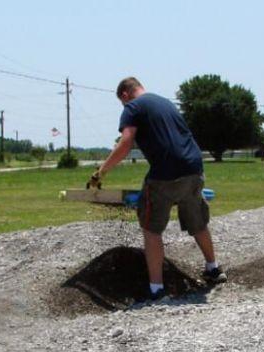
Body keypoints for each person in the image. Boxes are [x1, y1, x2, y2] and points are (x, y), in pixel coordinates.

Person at [88, 77, 227, 306]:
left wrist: (100, 173)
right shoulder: (166, 103)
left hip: (165, 174)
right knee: (198, 222)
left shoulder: (132, 107)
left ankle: (156, 289)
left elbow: (125, 144)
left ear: (124, 95)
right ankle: (213, 269)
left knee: (152, 229)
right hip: (194, 169)